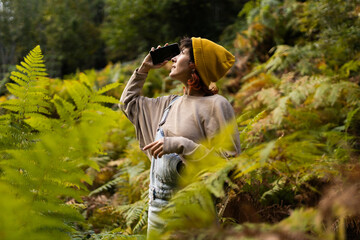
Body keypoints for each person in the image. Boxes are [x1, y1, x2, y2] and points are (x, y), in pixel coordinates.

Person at [119, 37, 241, 236]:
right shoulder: (169, 104)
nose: (174, 58)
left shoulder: (216, 105)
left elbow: (228, 164)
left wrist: (182, 145)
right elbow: (128, 103)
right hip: (157, 213)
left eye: (182, 53)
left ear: (195, 65)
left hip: (192, 212)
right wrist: (144, 69)